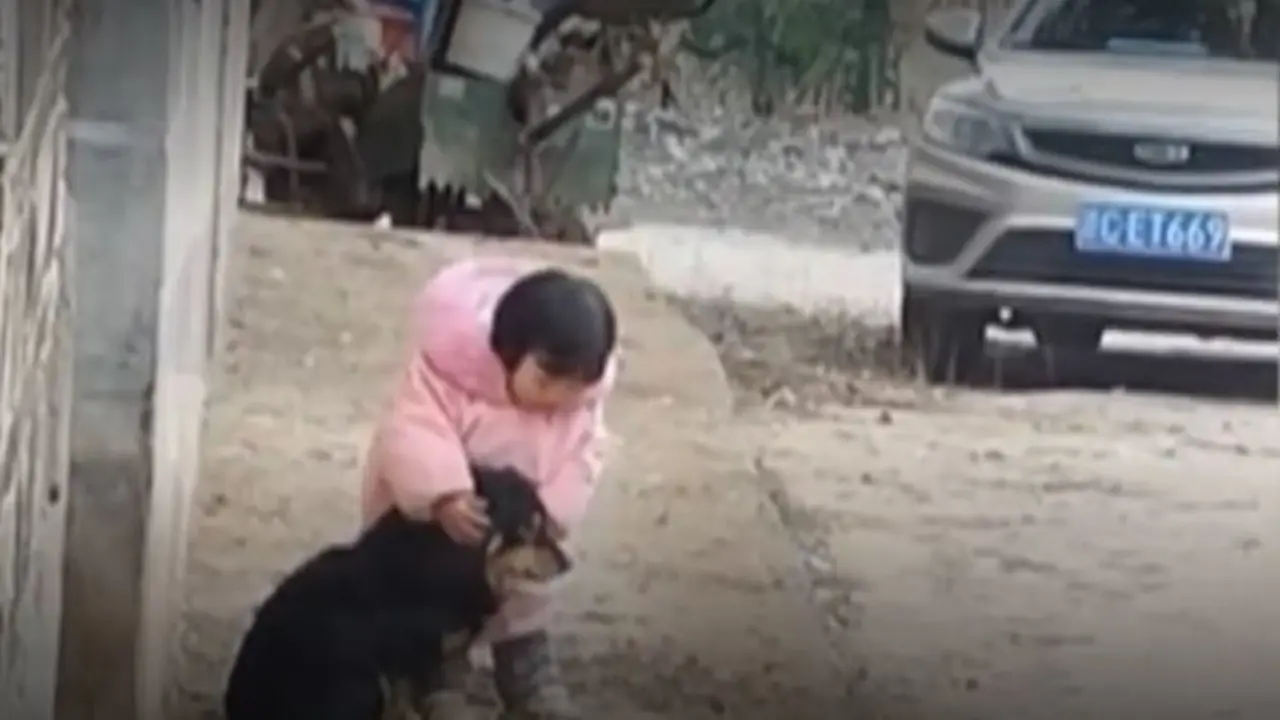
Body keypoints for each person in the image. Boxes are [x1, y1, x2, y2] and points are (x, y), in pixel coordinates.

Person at [361, 256, 618, 720]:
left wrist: (553, 511)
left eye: (574, 384)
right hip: (446, 523)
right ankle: (439, 670)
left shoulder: (579, 405)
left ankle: (525, 662)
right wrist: (442, 492)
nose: (558, 396)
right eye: (545, 378)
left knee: (524, 587)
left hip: (522, 524)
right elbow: (414, 426)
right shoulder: (450, 374)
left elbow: (587, 454)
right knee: (434, 594)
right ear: (508, 352)